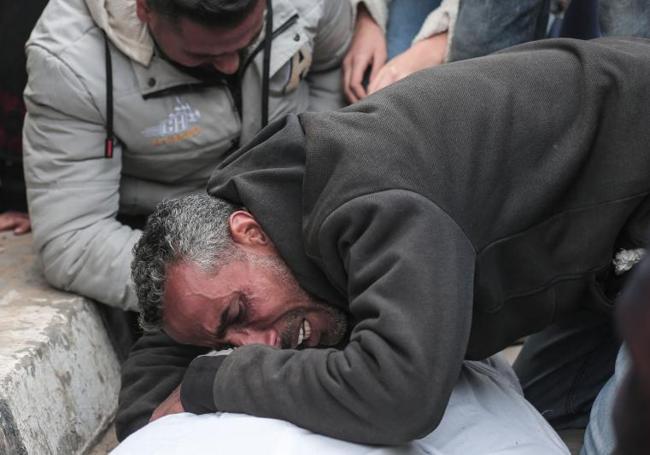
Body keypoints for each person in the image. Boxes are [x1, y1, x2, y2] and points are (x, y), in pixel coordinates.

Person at [116, 36, 650, 451]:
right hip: (595, 250)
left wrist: (218, 379)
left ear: (248, 231)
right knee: (545, 409)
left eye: (242, 312)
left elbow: (404, 395)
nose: (257, 343)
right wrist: (164, 408)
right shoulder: (245, 211)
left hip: (635, 182)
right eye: (226, 340)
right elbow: (169, 357)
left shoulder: (374, 198)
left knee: (615, 439)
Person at [22, 0, 352, 311]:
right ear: (144, 9)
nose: (230, 64)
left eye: (248, 40)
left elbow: (329, 64)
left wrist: (315, 161)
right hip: (174, 241)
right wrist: (217, 285)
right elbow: (74, 240)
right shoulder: (69, 64)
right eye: (201, 55)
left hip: (305, 211)